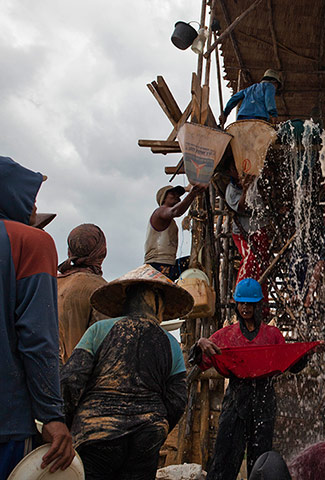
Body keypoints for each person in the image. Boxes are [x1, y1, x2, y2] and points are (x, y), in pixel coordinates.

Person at [61, 264, 191, 479]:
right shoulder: (170, 343)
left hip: (96, 431)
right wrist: (156, 427)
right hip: (147, 434)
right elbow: (177, 400)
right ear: (158, 305)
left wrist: (65, 425)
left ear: (126, 302)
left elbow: (71, 380)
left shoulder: (98, 330)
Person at [0, 156, 75, 476]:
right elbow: (38, 337)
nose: (34, 204)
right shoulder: (30, 242)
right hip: (8, 421)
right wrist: (52, 416)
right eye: (30, 193)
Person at [194, 278, 286, 479]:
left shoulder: (272, 335)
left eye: (249, 303)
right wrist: (200, 345)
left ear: (258, 305)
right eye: (241, 303)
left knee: (261, 461)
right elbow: (203, 362)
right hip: (235, 401)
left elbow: (287, 363)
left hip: (264, 400)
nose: (245, 307)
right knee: (224, 459)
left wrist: (304, 356)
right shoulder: (226, 335)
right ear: (236, 304)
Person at [57, 223, 108, 362]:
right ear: (102, 252)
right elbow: (105, 347)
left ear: (69, 251)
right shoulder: (102, 290)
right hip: (80, 380)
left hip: (46, 376)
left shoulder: (50, 283)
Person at [145, 184, 204, 280]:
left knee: (197, 259)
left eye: (178, 195)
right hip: (157, 267)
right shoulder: (160, 212)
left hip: (168, 265)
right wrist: (192, 194)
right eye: (172, 194)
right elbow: (175, 211)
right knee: (194, 260)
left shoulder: (169, 219)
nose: (177, 196)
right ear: (163, 199)